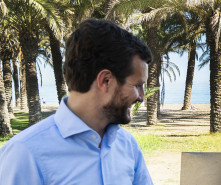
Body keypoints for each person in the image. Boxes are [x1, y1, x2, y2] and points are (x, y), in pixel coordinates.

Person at [0, 19, 154, 185]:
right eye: (137, 85)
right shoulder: (25, 153)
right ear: (106, 80)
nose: (141, 97)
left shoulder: (127, 146)